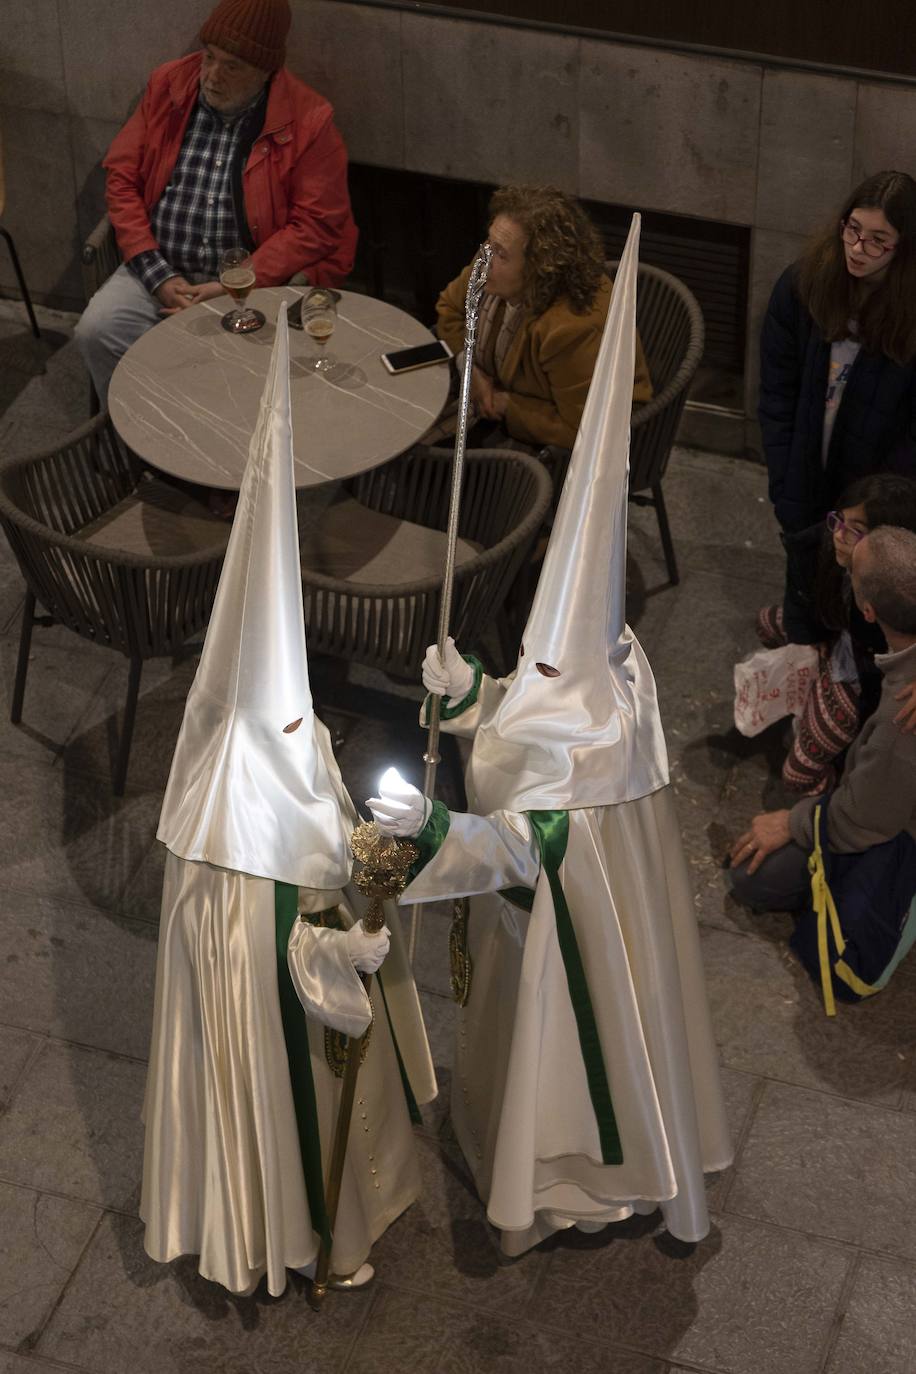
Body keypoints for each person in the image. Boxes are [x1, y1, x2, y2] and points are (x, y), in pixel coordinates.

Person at [368, 218, 731, 1257]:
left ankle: (578, 1189)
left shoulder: (594, 752)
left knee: (570, 1064)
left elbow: (527, 850)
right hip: (575, 929)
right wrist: (472, 700)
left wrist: (433, 829)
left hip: (562, 953)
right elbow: (531, 720)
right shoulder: (608, 670)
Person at [141, 307, 435, 1297]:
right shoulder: (221, 814)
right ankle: (292, 1235)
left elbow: (325, 824)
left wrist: (374, 857)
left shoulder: (282, 731)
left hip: (325, 976)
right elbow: (243, 955)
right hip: (287, 1030)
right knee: (290, 1100)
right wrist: (333, 955)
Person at [76, 0, 357, 406]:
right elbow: (122, 179)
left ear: (265, 72)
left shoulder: (309, 120)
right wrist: (158, 276)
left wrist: (237, 282)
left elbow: (316, 224)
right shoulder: (168, 85)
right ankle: (140, 434)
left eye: (232, 67)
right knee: (97, 330)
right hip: (157, 267)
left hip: (246, 285)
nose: (211, 76)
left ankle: (195, 432)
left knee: (237, 374)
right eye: (209, 57)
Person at [758, 170, 916, 645]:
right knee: (805, 579)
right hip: (805, 472)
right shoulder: (802, 285)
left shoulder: (909, 312)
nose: (858, 248)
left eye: (878, 240)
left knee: (865, 608)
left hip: (878, 493)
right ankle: (805, 648)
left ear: (904, 248)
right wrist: (784, 477)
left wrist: (875, 507)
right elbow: (776, 393)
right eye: (853, 229)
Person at [730, 525, 916, 921]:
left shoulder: (901, 722)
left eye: (852, 573)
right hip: (881, 787)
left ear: (868, 611)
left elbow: (865, 820)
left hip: (891, 824)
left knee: (751, 877)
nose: (841, 536)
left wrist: (791, 822)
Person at [433, 184, 652, 452]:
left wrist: (506, 406)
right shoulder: (489, 268)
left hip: (570, 448)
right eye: (489, 243)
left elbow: (582, 430)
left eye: (501, 254)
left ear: (539, 268)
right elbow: (450, 308)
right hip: (492, 394)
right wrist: (469, 368)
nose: (485, 259)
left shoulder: (571, 328)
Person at [756, 473, 916, 793]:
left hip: (858, 675)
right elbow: (801, 590)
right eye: (839, 520)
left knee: (798, 775)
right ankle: (814, 702)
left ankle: (833, 784)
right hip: (836, 641)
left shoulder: (893, 595)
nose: (839, 535)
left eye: (856, 530)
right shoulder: (829, 544)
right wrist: (809, 639)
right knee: (767, 622)